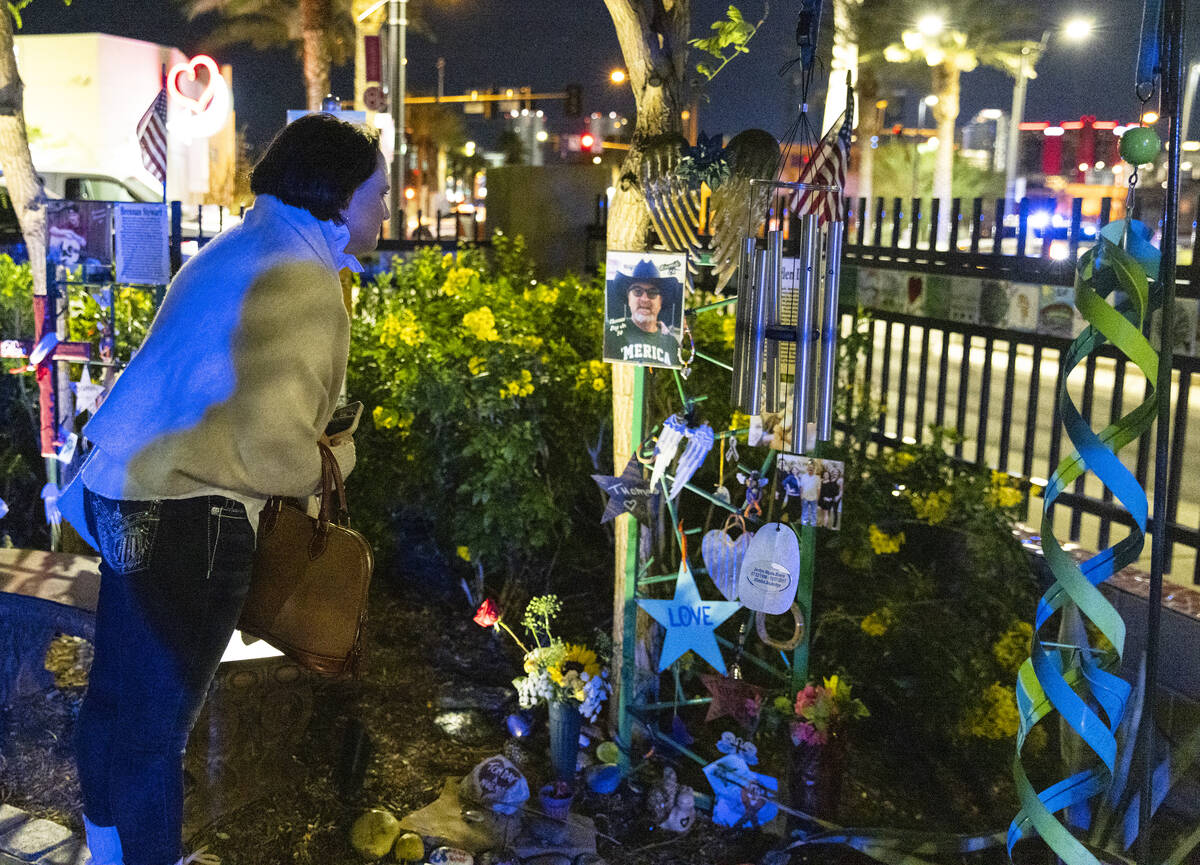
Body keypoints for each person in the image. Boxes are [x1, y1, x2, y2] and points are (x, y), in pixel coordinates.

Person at [59, 113, 389, 865]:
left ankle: (110, 849)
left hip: (125, 489)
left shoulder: (235, 247)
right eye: (379, 193)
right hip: (191, 513)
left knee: (117, 701)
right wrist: (340, 458)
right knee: (157, 730)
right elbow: (272, 446)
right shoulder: (304, 278)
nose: (387, 210)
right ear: (338, 197)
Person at [604, 258, 681, 367]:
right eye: (637, 291)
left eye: (653, 293)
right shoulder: (610, 333)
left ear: (661, 301)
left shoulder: (672, 343)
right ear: (628, 298)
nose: (644, 299)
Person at [798, 460, 821, 526]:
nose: (811, 469)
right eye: (809, 468)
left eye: (812, 468)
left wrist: (818, 498)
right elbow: (801, 487)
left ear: (814, 469)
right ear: (807, 469)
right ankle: (804, 522)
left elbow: (818, 489)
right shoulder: (803, 476)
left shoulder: (817, 478)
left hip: (814, 498)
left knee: (813, 512)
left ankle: (813, 523)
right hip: (805, 497)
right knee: (805, 511)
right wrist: (801, 496)